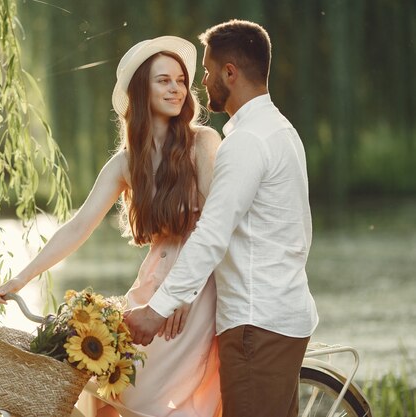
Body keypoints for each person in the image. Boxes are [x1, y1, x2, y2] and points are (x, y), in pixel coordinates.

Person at [0, 36, 223, 417]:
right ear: (141, 89)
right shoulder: (127, 163)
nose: (176, 88)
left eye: (180, 80)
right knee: (111, 391)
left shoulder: (203, 143)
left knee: (149, 399)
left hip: (196, 286)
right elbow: (77, 227)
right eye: (164, 80)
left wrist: (185, 294)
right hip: (151, 283)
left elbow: (216, 224)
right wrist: (18, 281)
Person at [124, 20, 319, 417]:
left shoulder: (245, 143)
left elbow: (211, 233)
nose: (203, 82)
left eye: (209, 72)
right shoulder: (282, 131)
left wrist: (157, 309)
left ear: (230, 73)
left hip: (255, 326)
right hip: (284, 315)